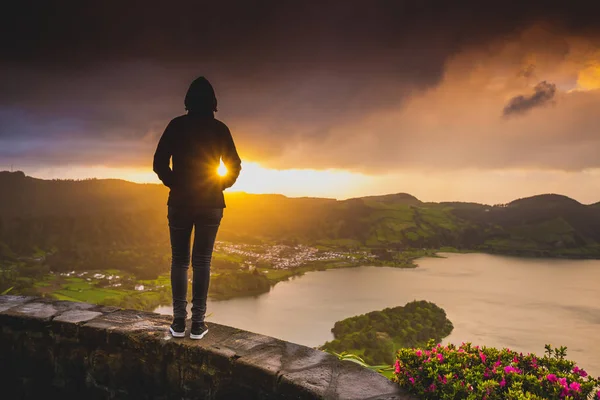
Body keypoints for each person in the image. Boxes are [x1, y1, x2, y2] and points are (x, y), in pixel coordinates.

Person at [153, 77, 241, 339]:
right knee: (202, 261)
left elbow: (159, 163)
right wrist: (219, 185)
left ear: (188, 101)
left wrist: (175, 184)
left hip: (180, 202)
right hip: (211, 203)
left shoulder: (176, 126)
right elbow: (235, 165)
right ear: (213, 102)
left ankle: (179, 323)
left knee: (179, 261)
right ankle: (198, 324)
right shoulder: (220, 129)